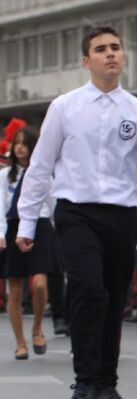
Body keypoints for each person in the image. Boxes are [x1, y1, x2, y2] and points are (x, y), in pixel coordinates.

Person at [17, 25, 137, 399]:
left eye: (116, 48)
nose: (110, 54)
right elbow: (40, 166)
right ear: (87, 61)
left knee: (113, 297)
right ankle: (84, 382)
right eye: (101, 49)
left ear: (123, 57)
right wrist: (25, 223)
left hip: (122, 215)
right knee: (89, 289)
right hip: (76, 212)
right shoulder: (65, 107)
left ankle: (107, 385)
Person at [2, 126, 61, 359]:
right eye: (16, 143)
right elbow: (1, 208)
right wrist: (1, 233)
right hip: (13, 227)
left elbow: (53, 203)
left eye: (24, 143)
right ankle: (20, 343)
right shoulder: (4, 175)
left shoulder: (43, 173)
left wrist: (62, 231)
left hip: (41, 226)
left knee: (39, 285)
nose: (19, 147)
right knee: (14, 290)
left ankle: (37, 327)